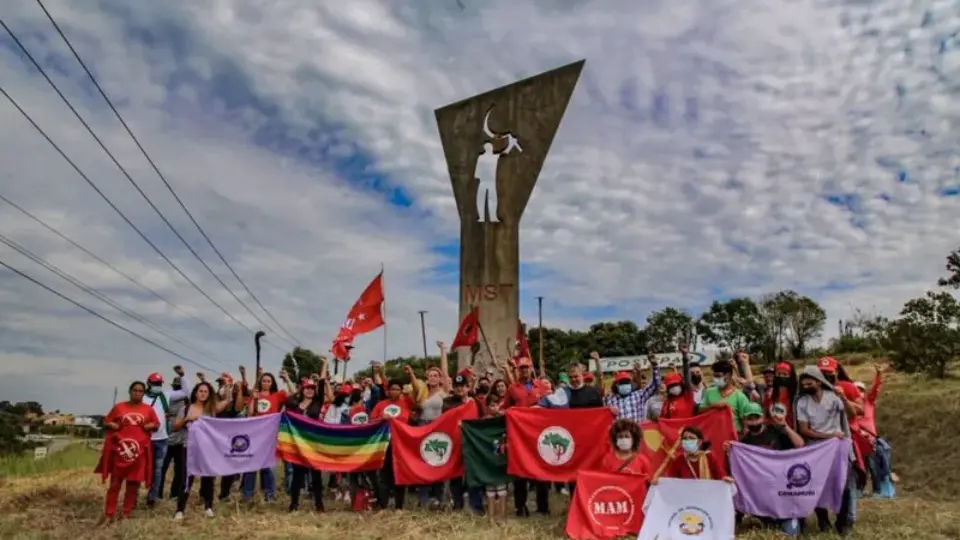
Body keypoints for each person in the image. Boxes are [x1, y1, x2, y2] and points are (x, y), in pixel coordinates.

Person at [795, 365, 857, 536]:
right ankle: (823, 520)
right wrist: (829, 436)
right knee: (817, 486)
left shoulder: (834, 397)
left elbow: (852, 415)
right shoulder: (802, 402)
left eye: (810, 384)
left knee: (842, 485)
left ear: (819, 382)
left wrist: (844, 398)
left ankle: (843, 522)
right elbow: (804, 430)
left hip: (837, 448)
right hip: (815, 449)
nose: (806, 387)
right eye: (804, 385)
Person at [727, 402, 804, 536]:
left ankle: (791, 519)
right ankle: (764, 519)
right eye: (749, 419)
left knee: (791, 533)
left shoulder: (775, 430)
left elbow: (799, 444)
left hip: (782, 485)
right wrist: (729, 452)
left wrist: (785, 425)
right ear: (744, 420)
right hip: (761, 490)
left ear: (762, 417)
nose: (753, 421)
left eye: (756, 417)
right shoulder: (744, 443)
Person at [95, 381, 160, 524]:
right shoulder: (119, 407)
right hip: (121, 451)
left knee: (133, 485)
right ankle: (109, 514)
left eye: (140, 391)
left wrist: (149, 425)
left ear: (143, 393)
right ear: (130, 391)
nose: (137, 393)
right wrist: (113, 424)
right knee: (115, 485)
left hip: (138, 452)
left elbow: (156, 424)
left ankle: (126, 513)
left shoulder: (148, 409)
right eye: (135, 390)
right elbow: (107, 421)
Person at [173, 380, 231, 520]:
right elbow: (175, 427)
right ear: (195, 393)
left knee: (208, 478)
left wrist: (228, 386)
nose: (203, 394)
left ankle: (208, 507)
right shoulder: (186, 408)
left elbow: (228, 400)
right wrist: (187, 419)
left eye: (206, 391)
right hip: (189, 448)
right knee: (186, 479)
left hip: (207, 449)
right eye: (201, 391)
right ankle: (180, 510)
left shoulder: (212, 409)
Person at [502, 355, 549, 517]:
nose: (524, 371)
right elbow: (504, 408)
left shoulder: (541, 387)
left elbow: (551, 406)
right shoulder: (512, 388)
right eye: (521, 368)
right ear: (517, 370)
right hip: (520, 437)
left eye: (526, 367)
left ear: (531, 368)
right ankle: (520, 507)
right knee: (520, 472)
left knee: (542, 471)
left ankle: (543, 507)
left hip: (539, 435)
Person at [240, 368, 291, 503]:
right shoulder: (255, 395)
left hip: (269, 434)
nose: (266, 383)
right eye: (264, 380)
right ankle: (247, 494)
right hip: (255, 434)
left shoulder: (277, 395)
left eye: (269, 381)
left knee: (268, 466)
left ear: (272, 383)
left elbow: (292, 396)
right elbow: (250, 414)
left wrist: (286, 379)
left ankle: (270, 494)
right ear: (260, 382)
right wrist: (253, 400)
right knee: (251, 465)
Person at [143, 367, 190, 508]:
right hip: (145, 439)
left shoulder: (166, 395)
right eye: (154, 384)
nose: (157, 386)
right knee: (143, 469)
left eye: (159, 384)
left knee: (158, 470)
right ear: (148, 383)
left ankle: (153, 497)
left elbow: (185, 391)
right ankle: (135, 495)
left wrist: (182, 375)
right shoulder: (142, 398)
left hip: (161, 439)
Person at [372, 373, 417, 511]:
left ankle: (399, 506)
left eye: (397, 389)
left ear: (401, 390)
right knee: (384, 476)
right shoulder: (381, 405)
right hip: (384, 444)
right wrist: (381, 418)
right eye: (392, 389)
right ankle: (383, 505)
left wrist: (411, 374)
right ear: (387, 390)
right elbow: (371, 421)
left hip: (401, 445)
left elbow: (418, 393)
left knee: (400, 474)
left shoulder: (407, 402)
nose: (394, 392)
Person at [443, 374, 484, 513]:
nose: (460, 389)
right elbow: (447, 417)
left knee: (473, 475)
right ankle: (458, 504)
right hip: (455, 443)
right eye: (457, 386)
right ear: (453, 388)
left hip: (472, 444)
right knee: (455, 475)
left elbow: (481, 419)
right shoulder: (447, 402)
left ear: (468, 387)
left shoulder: (476, 402)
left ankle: (476, 506)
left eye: (463, 386)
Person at [285, 378, 325, 513]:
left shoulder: (318, 403)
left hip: (314, 444)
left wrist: (324, 365)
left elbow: (322, 383)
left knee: (316, 475)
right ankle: (294, 504)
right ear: (302, 390)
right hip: (299, 444)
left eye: (312, 388)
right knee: (298, 475)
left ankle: (319, 504)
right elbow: (288, 400)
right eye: (307, 388)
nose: (309, 390)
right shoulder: (294, 403)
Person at [856, 364, 895, 498]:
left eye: (861, 390)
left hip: (870, 440)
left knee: (875, 466)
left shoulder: (868, 402)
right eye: (856, 390)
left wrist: (879, 374)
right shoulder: (849, 405)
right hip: (856, 440)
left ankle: (878, 491)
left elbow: (876, 389)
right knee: (860, 468)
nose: (859, 392)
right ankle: (858, 490)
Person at [657, 426, 732, 482]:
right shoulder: (679, 460)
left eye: (691, 438)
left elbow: (720, 475)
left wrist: (724, 479)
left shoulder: (709, 457)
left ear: (699, 442)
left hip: (706, 497)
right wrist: (659, 483)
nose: (687, 440)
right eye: (685, 438)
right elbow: (671, 481)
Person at [157, 373, 189, 500]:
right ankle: (159, 494)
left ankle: (174, 494)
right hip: (167, 437)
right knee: (162, 469)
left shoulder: (184, 400)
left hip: (179, 438)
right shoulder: (168, 397)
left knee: (179, 470)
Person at [604, 351, 662, 422]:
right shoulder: (610, 400)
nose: (624, 384)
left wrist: (655, 366)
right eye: (622, 383)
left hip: (636, 432)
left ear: (630, 383)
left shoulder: (639, 395)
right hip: (619, 432)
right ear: (616, 385)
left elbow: (655, 385)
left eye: (627, 382)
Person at [700, 360, 752, 432]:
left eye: (718, 376)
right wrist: (713, 406)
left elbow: (746, 422)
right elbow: (700, 412)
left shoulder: (740, 396)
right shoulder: (709, 392)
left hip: (733, 437)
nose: (715, 379)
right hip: (713, 435)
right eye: (714, 376)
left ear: (729, 376)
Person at [763, 362, 798, 427]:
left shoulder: (795, 395)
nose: (781, 376)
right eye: (778, 373)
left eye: (785, 374)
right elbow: (765, 413)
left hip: (790, 431)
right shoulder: (768, 394)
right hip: (774, 431)